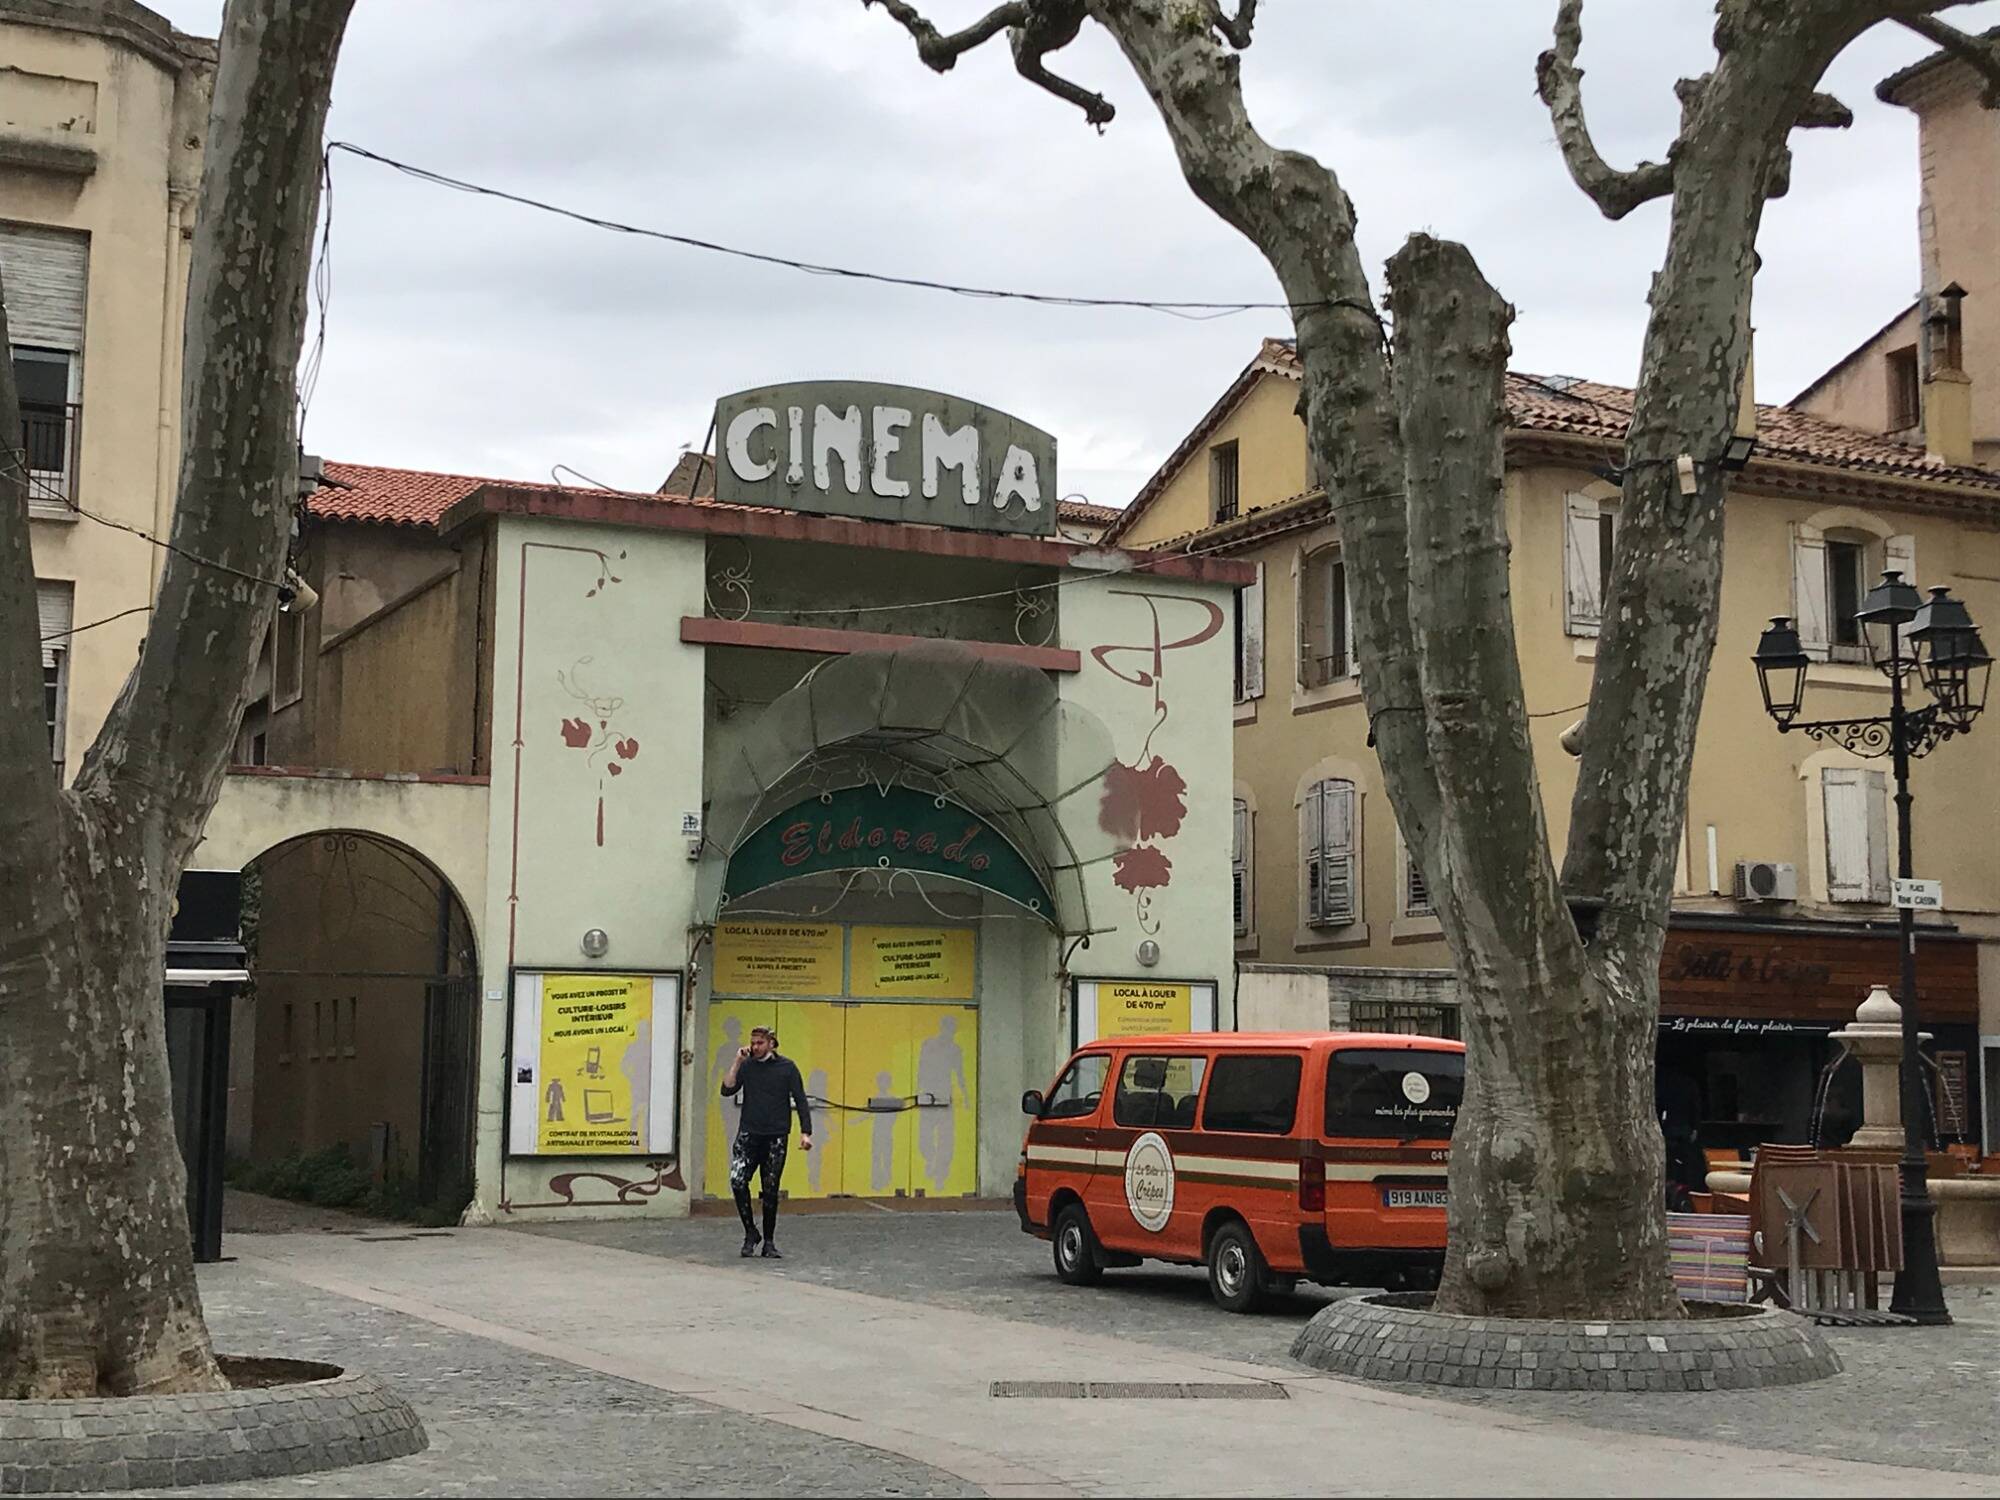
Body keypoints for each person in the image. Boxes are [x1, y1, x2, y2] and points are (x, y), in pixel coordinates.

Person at [719, 1025, 813, 1258]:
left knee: (770, 1189)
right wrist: (737, 1062)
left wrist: (806, 1132)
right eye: (753, 1043)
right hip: (749, 1134)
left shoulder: (787, 1068)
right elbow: (727, 1090)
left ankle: (769, 1242)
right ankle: (750, 1232)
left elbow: (800, 1099)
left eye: (760, 1043)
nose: (755, 1047)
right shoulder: (747, 1065)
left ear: (772, 1044)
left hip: (775, 1135)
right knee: (737, 1181)